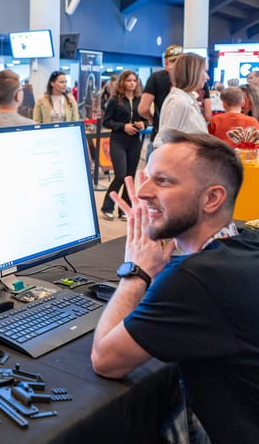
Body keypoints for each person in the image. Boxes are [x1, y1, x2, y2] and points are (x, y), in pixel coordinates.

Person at [91, 131, 259, 442]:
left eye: (163, 181)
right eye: (147, 178)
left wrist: (135, 271)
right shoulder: (246, 242)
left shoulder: (196, 280)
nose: (141, 192)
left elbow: (105, 360)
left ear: (212, 198)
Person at [99, 71, 147, 221]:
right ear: (123, 82)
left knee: (129, 177)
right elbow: (106, 122)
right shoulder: (115, 101)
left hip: (134, 141)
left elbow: (146, 120)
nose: (132, 83)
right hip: (118, 140)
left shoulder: (140, 100)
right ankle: (107, 206)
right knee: (120, 175)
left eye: (134, 80)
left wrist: (143, 124)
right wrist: (123, 126)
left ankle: (124, 209)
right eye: (129, 80)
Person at [153, 53, 208, 149]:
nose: (207, 77)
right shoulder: (178, 102)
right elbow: (162, 142)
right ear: (193, 73)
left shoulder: (186, 99)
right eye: (204, 72)